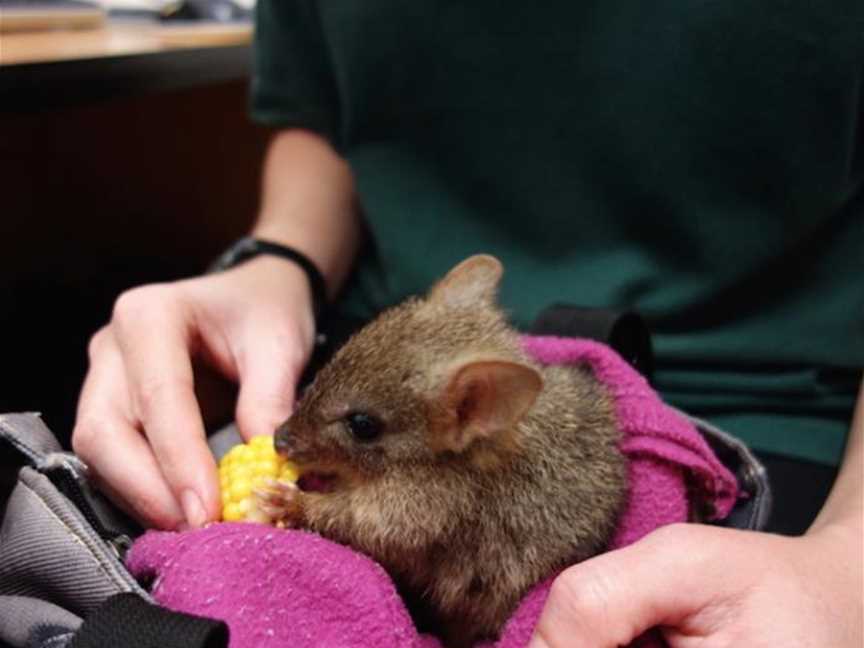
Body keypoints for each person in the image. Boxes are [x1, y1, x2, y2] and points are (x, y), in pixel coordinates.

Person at [72, 1, 863, 646]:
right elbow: (319, 114)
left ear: (470, 412)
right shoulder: (406, 401)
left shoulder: (451, 463)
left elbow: (408, 522)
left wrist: (848, 566)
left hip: (773, 418)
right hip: (353, 356)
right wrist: (277, 261)